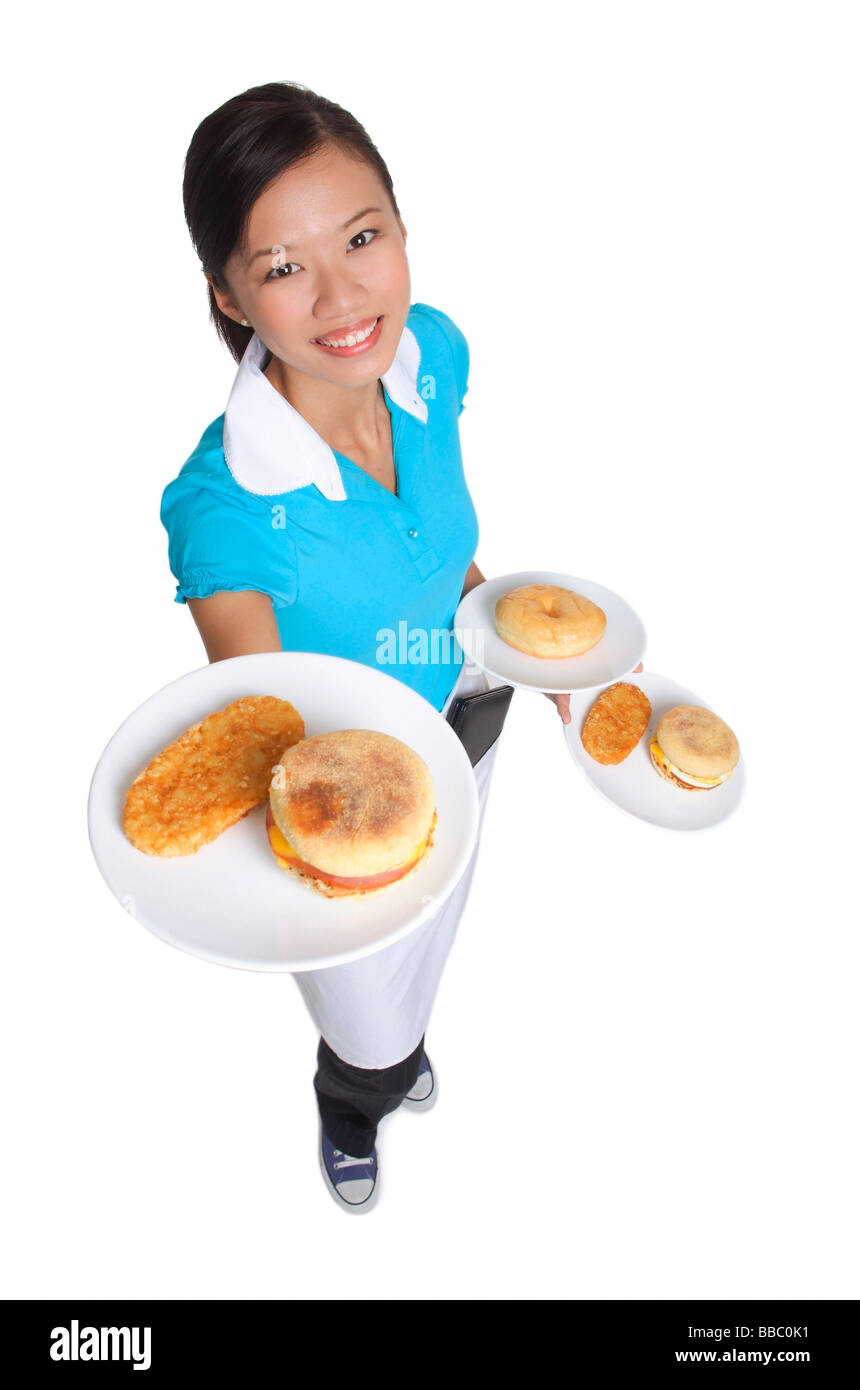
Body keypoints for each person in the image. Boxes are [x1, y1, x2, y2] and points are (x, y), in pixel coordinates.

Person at [160, 81, 569, 1213]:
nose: (343, 296)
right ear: (229, 295)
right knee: (364, 1005)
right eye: (283, 266)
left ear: (399, 224)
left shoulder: (431, 353)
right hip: (335, 812)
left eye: (361, 236)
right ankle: (356, 1093)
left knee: (439, 922)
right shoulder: (226, 507)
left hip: (465, 728)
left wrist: (539, 663)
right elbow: (261, 733)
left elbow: (437, 557)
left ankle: (399, 1042)